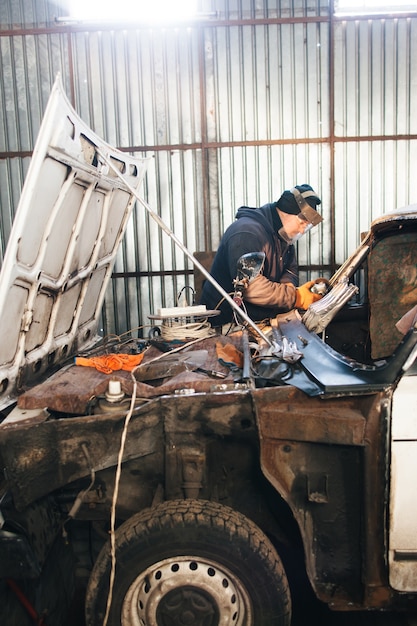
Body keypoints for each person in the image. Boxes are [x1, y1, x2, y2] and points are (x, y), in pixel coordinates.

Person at [200, 184, 326, 326]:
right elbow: (252, 287)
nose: (303, 231)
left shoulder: (284, 238)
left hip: (257, 319)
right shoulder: (247, 234)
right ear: (288, 213)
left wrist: (290, 292)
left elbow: (289, 271)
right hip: (225, 322)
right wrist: (295, 297)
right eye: (302, 223)